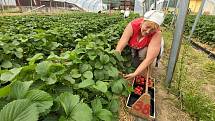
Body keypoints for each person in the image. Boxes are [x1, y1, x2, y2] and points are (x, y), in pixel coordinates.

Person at [115, 10, 165, 80]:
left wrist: (136, 73)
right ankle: (135, 68)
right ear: (142, 22)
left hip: (146, 46)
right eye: (147, 27)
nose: (148, 31)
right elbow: (121, 44)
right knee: (133, 55)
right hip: (134, 44)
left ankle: (143, 75)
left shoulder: (157, 34)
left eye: (152, 29)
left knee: (143, 54)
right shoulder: (133, 25)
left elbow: (150, 58)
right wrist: (116, 63)